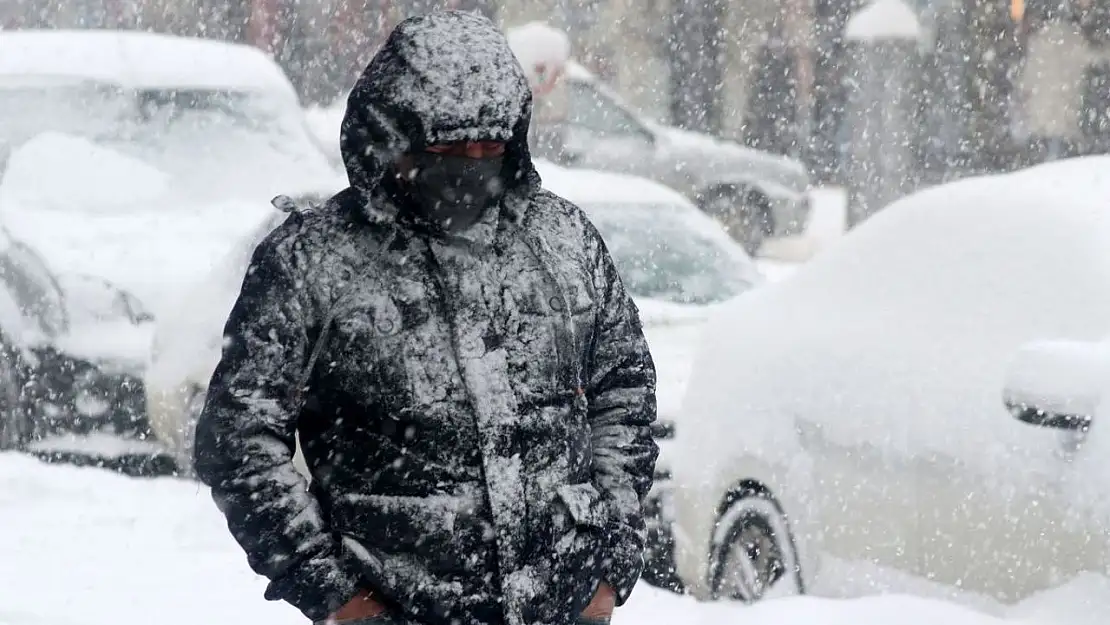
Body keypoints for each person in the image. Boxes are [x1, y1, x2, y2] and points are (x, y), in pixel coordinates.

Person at [192, 10, 658, 625]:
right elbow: (239, 440)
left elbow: (623, 392)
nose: (471, 163)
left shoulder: (562, 239)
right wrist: (333, 593)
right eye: (448, 148)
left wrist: (608, 561)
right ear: (391, 139)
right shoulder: (315, 260)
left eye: (489, 146)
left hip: (562, 605)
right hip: (399, 607)